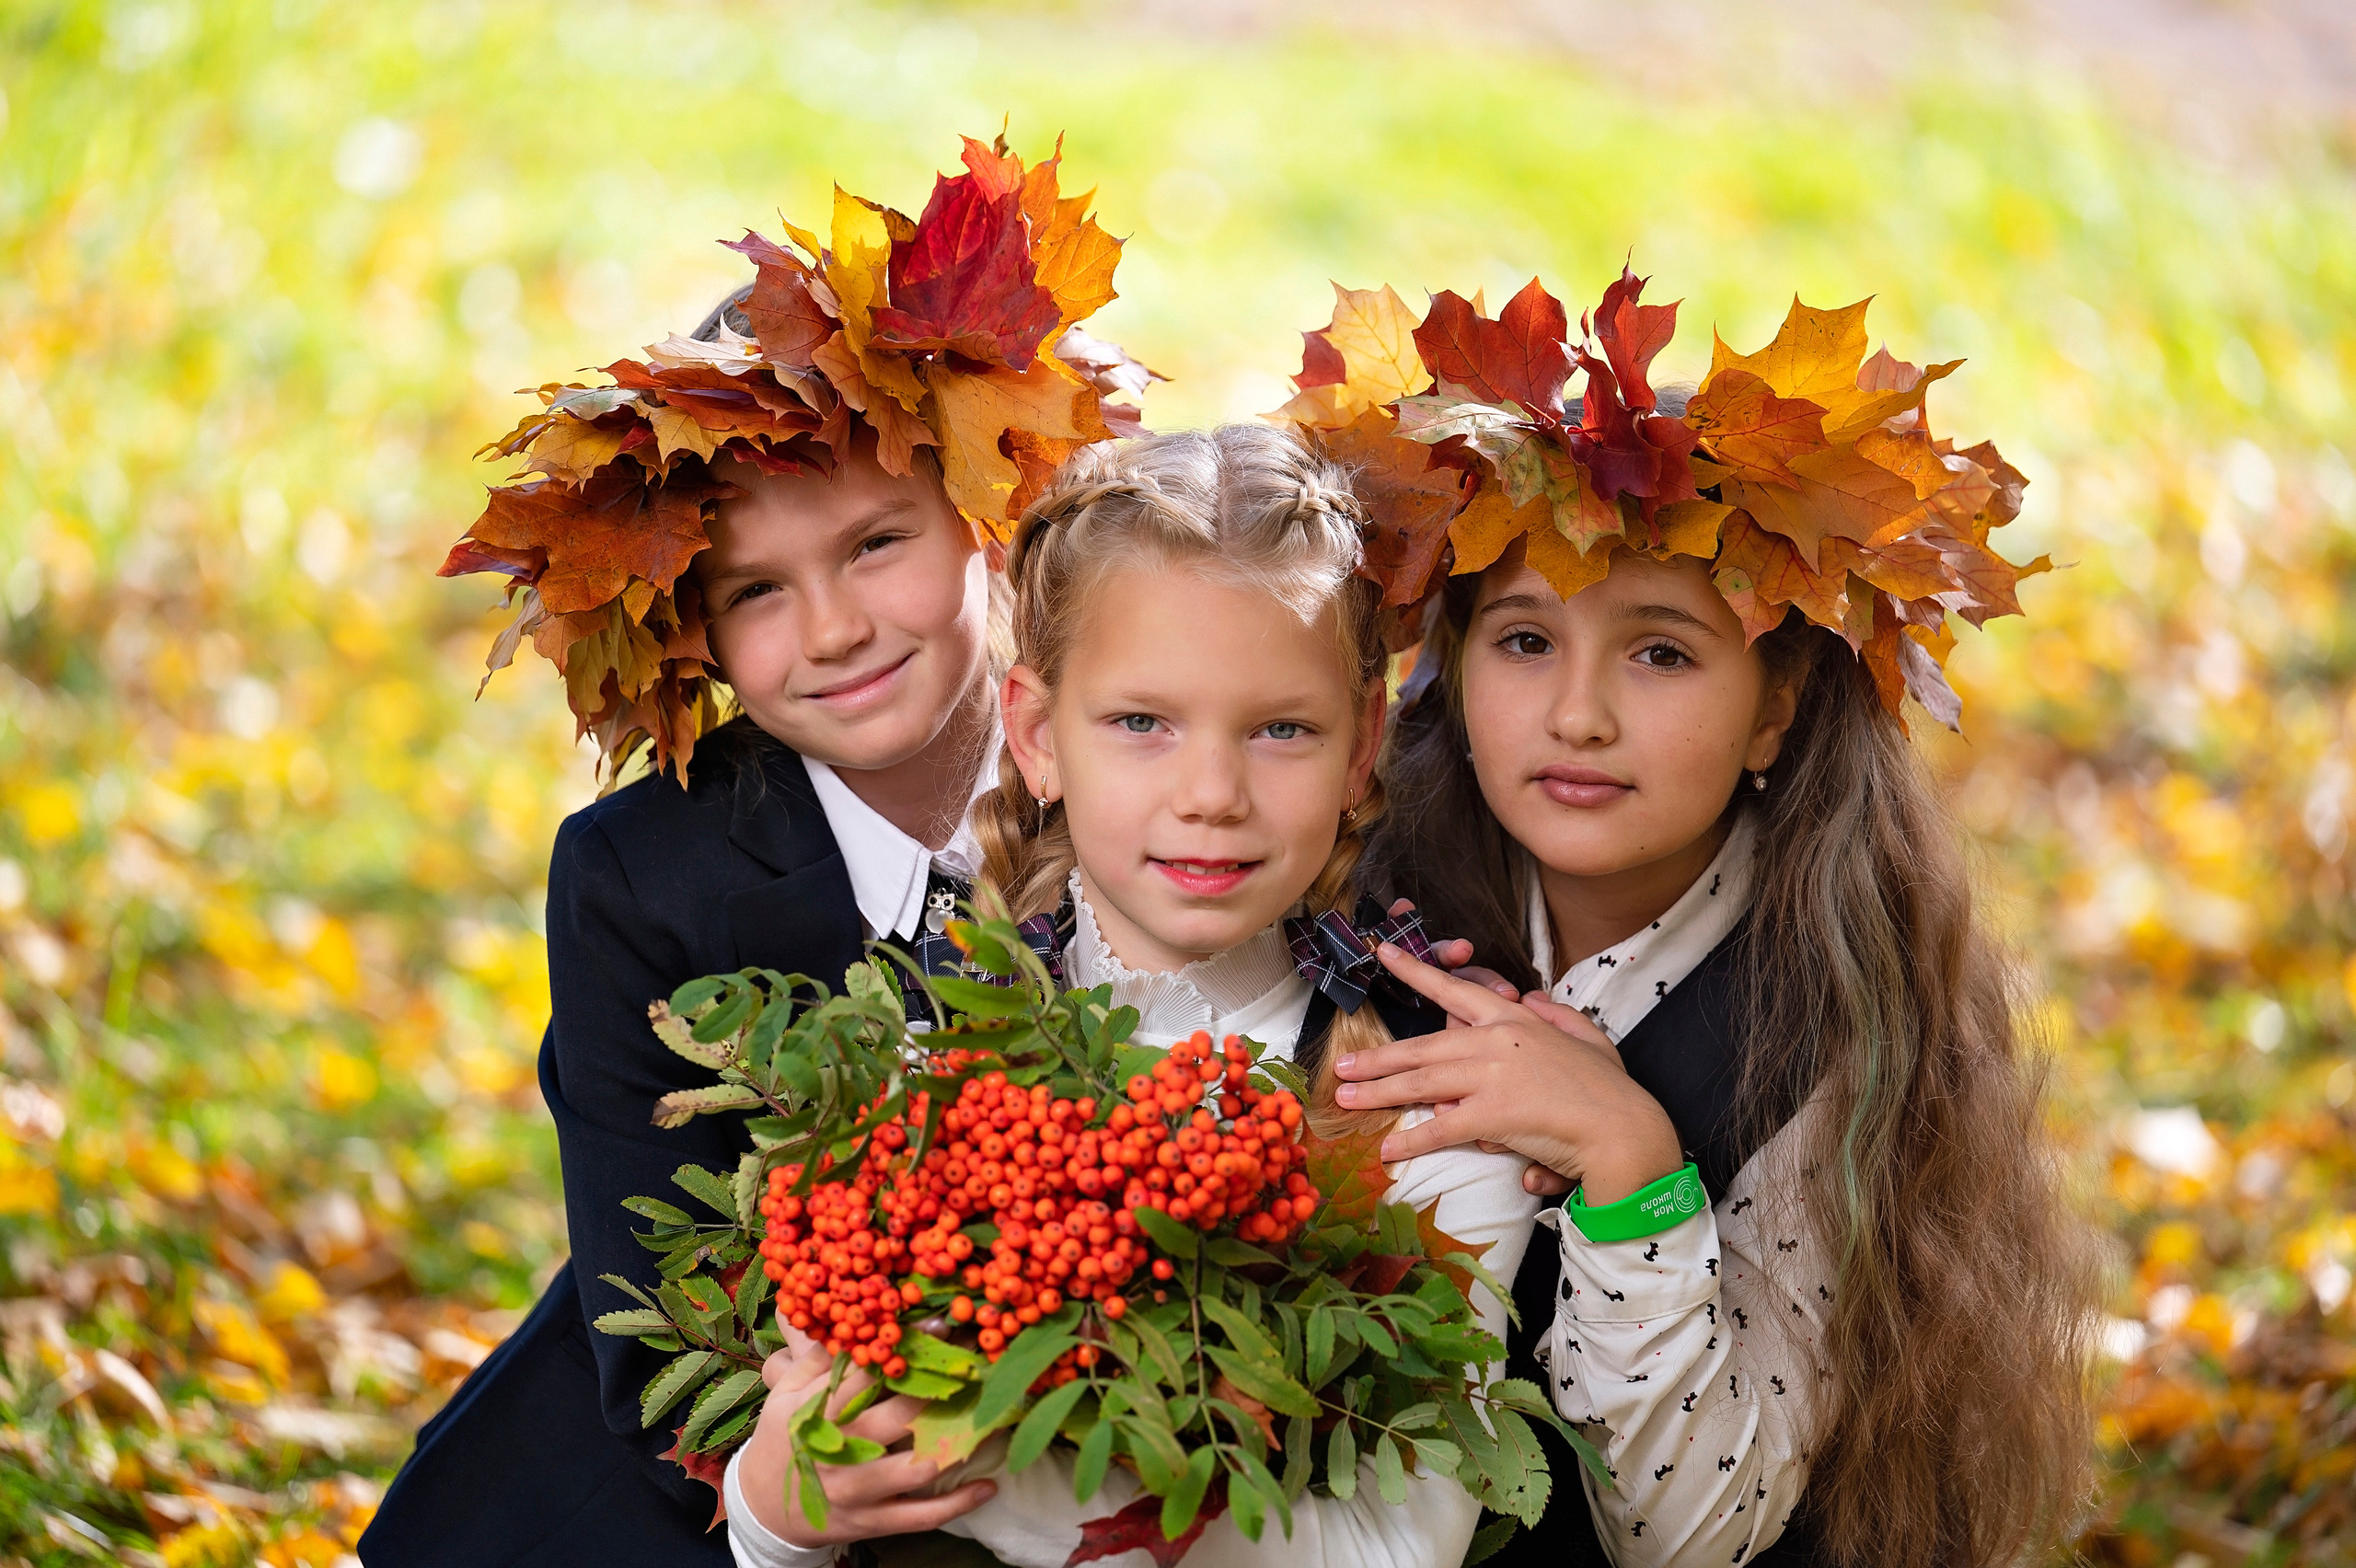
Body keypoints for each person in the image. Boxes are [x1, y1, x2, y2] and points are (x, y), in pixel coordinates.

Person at [361, 134, 1149, 1568]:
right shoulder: (639, 880)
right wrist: (790, 1481)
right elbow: (655, 1297)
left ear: (985, 515)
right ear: (694, 627)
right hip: (722, 1461)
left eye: (874, 546)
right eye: (758, 593)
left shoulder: (1152, 770)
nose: (835, 631)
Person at [1303, 271, 2097, 1567]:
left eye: (1660, 652)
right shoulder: (1371, 911)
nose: (1579, 716)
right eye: (1522, 642)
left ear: (1775, 707)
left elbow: (1691, 1534)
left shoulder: (1833, 1016)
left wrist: (1629, 1165)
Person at [721, 424, 1542, 1568]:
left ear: (1364, 749)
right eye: (1141, 723)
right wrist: (771, 1507)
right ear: (1036, 737)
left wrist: (994, 1479)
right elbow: (811, 1485)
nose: (1211, 793)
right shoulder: (927, 1055)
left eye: (1281, 730)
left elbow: (1397, 1547)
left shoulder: (1426, 1102)